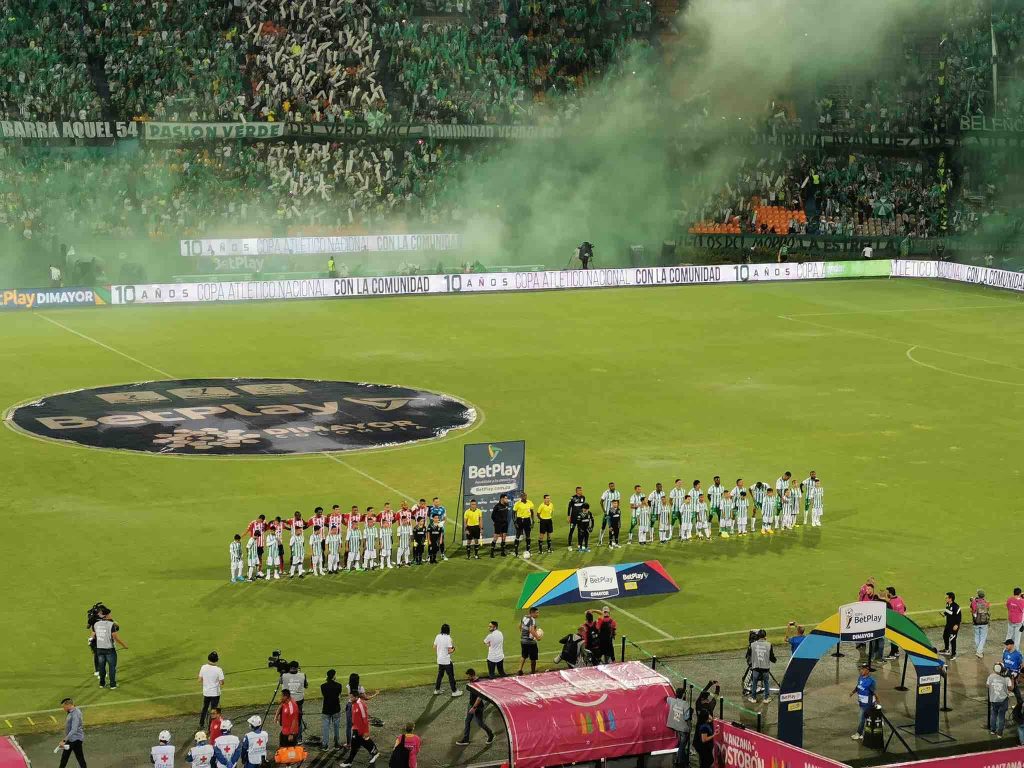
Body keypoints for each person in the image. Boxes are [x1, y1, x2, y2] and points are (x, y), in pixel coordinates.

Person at [456, 669, 496, 746]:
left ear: (472, 675)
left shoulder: (479, 683)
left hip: (477, 707)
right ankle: (465, 739)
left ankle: (490, 734)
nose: (467, 678)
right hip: (471, 705)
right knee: (467, 721)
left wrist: (474, 708)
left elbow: (479, 697)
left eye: (468, 676)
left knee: (480, 723)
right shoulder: (472, 681)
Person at [340, 692, 379, 768]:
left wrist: (366, 731)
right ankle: (349, 761)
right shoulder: (353, 704)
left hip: (360, 729)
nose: (350, 699)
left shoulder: (361, 704)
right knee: (355, 746)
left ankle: (375, 752)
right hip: (356, 728)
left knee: (363, 741)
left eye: (351, 697)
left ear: (356, 697)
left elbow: (365, 719)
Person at [92, 607, 127, 689]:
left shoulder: (96, 624)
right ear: (107, 615)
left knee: (101, 667)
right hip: (109, 650)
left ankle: (102, 683)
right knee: (112, 668)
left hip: (99, 649)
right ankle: (112, 684)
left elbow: (94, 636)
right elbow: (115, 637)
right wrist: (124, 645)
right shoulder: (111, 625)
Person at [747, 629, 776, 703]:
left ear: (758, 636)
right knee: (766, 682)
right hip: (765, 668)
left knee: (754, 682)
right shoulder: (769, 644)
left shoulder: (752, 644)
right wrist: (774, 660)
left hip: (756, 667)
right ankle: (766, 698)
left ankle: (753, 698)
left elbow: (749, 655)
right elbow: (771, 657)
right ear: (765, 636)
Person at [665, 687, 691, 767]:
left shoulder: (672, 700)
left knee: (680, 744)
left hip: (674, 726)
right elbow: (687, 718)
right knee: (682, 746)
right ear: (683, 695)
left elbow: (666, 698)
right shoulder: (685, 704)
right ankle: (680, 762)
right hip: (683, 728)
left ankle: (679, 759)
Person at [850, 663, 877, 740]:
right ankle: (865, 733)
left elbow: (874, 692)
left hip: (867, 703)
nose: (861, 670)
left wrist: (877, 701)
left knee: (862, 718)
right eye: (861, 669)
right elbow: (858, 686)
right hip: (862, 702)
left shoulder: (871, 681)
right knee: (866, 718)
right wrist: (853, 692)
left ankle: (859, 733)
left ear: (867, 670)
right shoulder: (860, 677)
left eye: (863, 669)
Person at [433, 624, 461, 696]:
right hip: (447, 661)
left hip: (440, 660)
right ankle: (454, 691)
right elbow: (449, 651)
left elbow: (434, 647)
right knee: (451, 676)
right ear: (448, 630)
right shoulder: (448, 638)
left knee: (440, 675)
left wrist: (440, 652)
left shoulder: (438, 636)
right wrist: (454, 649)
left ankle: (437, 690)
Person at [281, 661, 308, 735]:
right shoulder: (303, 675)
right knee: (298, 719)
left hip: (288, 701)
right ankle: (299, 738)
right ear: (297, 667)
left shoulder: (284, 675)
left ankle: (286, 735)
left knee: (287, 718)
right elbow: (306, 685)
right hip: (298, 700)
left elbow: (280, 682)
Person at [198, 652, 224, 728]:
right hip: (215, 694)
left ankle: (201, 724)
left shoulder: (203, 667)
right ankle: (211, 727)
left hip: (206, 692)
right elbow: (222, 682)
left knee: (205, 708)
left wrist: (206, 681)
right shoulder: (219, 670)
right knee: (213, 710)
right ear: (216, 660)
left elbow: (199, 680)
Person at [58, 698, 86, 768]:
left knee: (78, 757)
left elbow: (74, 730)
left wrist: (64, 740)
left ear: (69, 705)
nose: (63, 708)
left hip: (75, 740)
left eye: (64, 707)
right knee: (66, 757)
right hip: (71, 739)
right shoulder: (72, 711)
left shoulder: (75, 714)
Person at [988, 663, 1013, 737]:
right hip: (1003, 700)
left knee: (994, 714)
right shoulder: (1006, 678)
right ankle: (999, 733)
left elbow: (987, 685)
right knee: (1001, 716)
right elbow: (1010, 688)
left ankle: (992, 730)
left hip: (994, 699)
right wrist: (1012, 679)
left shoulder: (991, 676)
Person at [321, 670, 343, 750]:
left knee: (325, 727)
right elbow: (338, 696)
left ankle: (325, 745)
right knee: (336, 727)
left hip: (326, 709)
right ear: (334, 676)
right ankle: (336, 744)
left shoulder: (323, 686)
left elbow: (324, 696)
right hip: (336, 708)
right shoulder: (339, 685)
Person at [885, 587, 907, 659]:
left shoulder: (891, 602)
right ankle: (896, 652)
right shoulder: (900, 598)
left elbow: (890, 614)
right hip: (901, 621)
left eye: (887, 592)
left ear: (890, 593)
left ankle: (892, 654)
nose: (886, 594)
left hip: (895, 622)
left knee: (893, 638)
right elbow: (904, 607)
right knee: (896, 637)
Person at [1002, 639, 1023, 712]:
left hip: (1013, 676)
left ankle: (1017, 710)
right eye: (1006, 645)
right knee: (1002, 692)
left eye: (1007, 645)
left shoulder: (1018, 654)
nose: (1006, 646)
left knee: (1018, 696)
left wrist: (1018, 676)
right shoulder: (1005, 652)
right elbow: (1003, 662)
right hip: (1005, 675)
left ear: (1012, 645)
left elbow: (1022, 665)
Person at [519, 607, 541, 674]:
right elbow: (531, 630)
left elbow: (520, 626)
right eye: (536, 613)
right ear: (532, 613)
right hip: (530, 642)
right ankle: (533, 672)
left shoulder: (524, 617)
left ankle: (519, 670)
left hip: (523, 641)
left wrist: (522, 634)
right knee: (533, 658)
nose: (538, 614)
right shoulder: (532, 620)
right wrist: (537, 637)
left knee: (523, 656)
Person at [512, 492, 535, 557]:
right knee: (518, 535)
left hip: (527, 520)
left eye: (526, 496)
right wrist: (515, 522)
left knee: (528, 535)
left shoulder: (530, 502)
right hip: (519, 520)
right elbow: (513, 513)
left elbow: (532, 512)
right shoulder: (517, 503)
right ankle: (516, 551)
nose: (525, 497)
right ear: (521, 497)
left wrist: (533, 521)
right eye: (523, 496)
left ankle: (528, 550)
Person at [971, 589, 992, 659]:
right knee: (983, 637)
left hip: (976, 622)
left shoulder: (974, 602)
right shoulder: (986, 602)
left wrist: (973, 600)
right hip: (984, 622)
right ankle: (979, 652)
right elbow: (988, 608)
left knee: (977, 636)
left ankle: (979, 651)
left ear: (978, 595)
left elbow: (972, 610)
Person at [941, 592, 961, 660]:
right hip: (948, 625)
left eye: (946, 597)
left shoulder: (956, 607)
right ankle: (947, 650)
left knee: (952, 640)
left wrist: (957, 625)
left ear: (950, 598)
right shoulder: (947, 604)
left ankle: (953, 654)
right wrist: (944, 614)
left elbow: (959, 617)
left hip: (954, 626)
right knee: (945, 636)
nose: (945, 598)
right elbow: (947, 611)